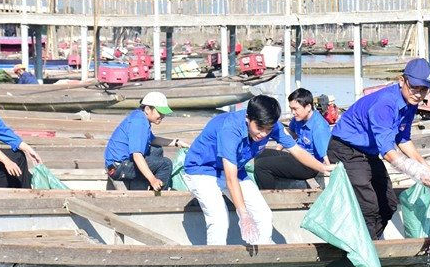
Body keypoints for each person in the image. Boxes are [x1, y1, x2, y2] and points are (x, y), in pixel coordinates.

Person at [183, 94, 330, 245]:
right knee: (219, 219)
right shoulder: (230, 130)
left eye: (268, 130)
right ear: (248, 118)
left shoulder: (271, 125)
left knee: (263, 215)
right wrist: (243, 215)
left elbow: (296, 150)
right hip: (202, 170)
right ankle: (216, 257)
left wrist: (323, 168)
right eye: (259, 128)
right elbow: (230, 179)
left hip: (236, 169)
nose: (263, 134)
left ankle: (264, 253)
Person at [327, 58, 430, 240]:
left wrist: (425, 166)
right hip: (346, 149)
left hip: (369, 152)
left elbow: (402, 139)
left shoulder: (410, 104)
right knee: (368, 206)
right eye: (414, 87)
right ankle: (361, 247)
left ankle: (370, 242)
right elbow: (388, 153)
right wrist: (418, 173)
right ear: (402, 81)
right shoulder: (386, 103)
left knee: (388, 204)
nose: (418, 94)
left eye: (423, 90)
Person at [253, 88, 332, 190]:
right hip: (296, 156)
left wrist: (329, 173)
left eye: (295, 109)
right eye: (291, 109)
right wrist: (278, 150)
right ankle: (274, 180)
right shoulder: (298, 119)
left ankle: (270, 196)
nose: (293, 112)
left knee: (261, 166)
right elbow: (290, 134)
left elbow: (325, 154)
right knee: (260, 153)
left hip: (310, 166)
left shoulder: (319, 126)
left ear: (308, 107)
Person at [104, 91, 182, 191]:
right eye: (160, 112)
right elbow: (137, 155)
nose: (163, 116)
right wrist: (152, 179)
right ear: (147, 109)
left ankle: (144, 185)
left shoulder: (139, 116)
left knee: (157, 150)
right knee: (165, 164)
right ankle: (159, 191)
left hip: (118, 164)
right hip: (117, 168)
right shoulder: (139, 123)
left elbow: (153, 140)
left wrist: (176, 142)